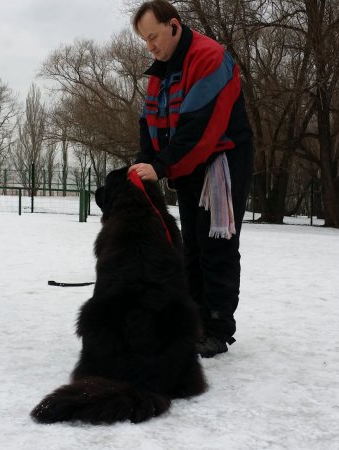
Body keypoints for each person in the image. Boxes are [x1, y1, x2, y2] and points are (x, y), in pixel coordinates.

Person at [129, 0, 255, 357]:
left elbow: (199, 128)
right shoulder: (160, 71)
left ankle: (216, 326)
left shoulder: (210, 57)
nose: (150, 46)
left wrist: (162, 166)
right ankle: (193, 320)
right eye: (144, 40)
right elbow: (148, 122)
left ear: (174, 25)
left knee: (216, 242)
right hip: (187, 164)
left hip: (222, 160)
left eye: (153, 36)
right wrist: (145, 161)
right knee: (193, 246)